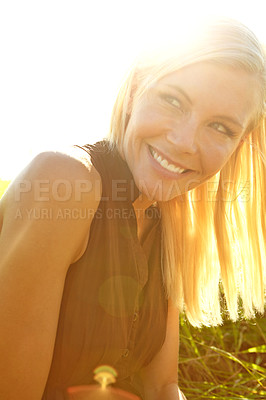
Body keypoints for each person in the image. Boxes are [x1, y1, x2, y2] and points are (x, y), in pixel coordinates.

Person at [0, 17, 265, 400]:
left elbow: (162, 387)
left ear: (238, 145)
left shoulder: (169, 224)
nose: (184, 141)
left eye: (221, 127)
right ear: (134, 91)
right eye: (173, 100)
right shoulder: (64, 182)